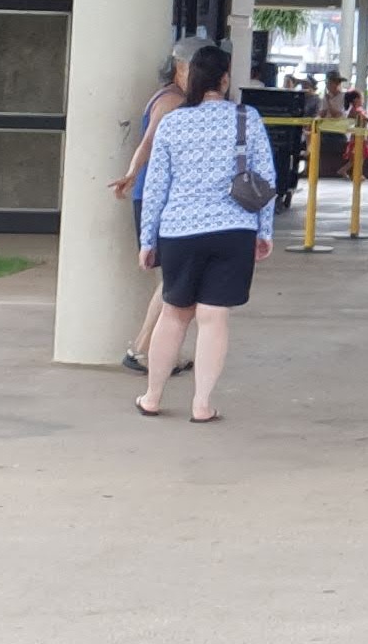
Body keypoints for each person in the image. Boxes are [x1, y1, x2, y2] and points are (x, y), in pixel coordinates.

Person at [135, 41, 278, 424]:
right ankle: (202, 404)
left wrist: (148, 239)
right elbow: (265, 177)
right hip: (233, 230)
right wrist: (264, 231)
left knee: (174, 314)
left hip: (179, 230)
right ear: (225, 79)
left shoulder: (173, 123)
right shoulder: (247, 118)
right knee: (214, 317)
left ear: (191, 79)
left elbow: (156, 186)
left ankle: (152, 396)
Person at [113, 37, 213, 376]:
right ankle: (142, 349)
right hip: (160, 199)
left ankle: (156, 351)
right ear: (181, 68)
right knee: (175, 279)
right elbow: (148, 142)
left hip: (165, 198)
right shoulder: (172, 101)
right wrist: (131, 174)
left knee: (174, 278)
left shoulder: (177, 98)